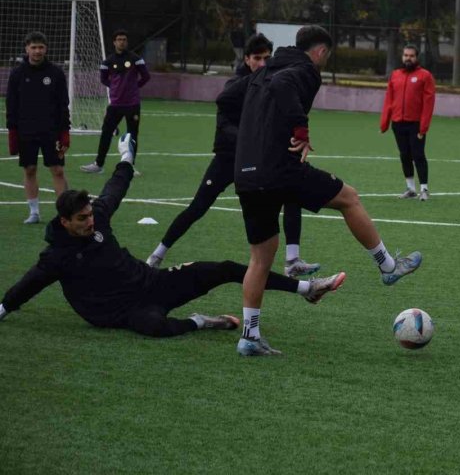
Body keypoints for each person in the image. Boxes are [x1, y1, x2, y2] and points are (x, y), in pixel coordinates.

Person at [0, 134, 345, 342]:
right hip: (122, 313)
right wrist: (3, 307)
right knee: (155, 328)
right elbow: (30, 284)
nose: (90, 221)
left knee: (224, 268)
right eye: (82, 219)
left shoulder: (98, 217)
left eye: (90, 215)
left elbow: (115, 189)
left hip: (154, 283)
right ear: (64, 222)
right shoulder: (56, 256)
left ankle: (306, 288)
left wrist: (126, 158)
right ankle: (201, 322)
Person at [229, 25, 423, 357]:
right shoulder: (305, 69)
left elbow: (227, 97)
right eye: (326, 55)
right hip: (279, 169)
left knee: (260, 258)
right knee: (349, 198)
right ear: (320, 52)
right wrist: (301, 129)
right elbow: (283, 86)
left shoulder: (261, 71)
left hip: (246, 173)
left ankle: (249, 336)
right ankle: (388, 267)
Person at [145, 34, 320, 278]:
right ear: (246, 59)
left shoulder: (271, 80)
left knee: (292, 193)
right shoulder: (237, 85)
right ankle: (157, 255)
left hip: (260, 159)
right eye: (257, 58)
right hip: (230, 157)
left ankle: (292, 260)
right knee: (198, 206)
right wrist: (251, 141)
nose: (262, 63)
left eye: (266, 58)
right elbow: (224, 123)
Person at [5, 31, 70, 224]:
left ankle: (64, 214)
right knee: (30, 169)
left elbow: (63, 104)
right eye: (33, 47)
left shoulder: (56, 73)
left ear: (46, 49)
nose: (37, 51)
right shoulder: (17, 74)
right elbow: (11, 104)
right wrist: (12, 131)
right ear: (27, 49)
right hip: (26, 131)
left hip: (52, 131)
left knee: (57, 170)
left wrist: (65, 132)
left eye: (41, 47)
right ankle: (34, 212)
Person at [81, 30, 150, 174]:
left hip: (132, 105)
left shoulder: (135, 59)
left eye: (124, 39)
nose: (122, 42)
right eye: (119, 39)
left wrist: (134, 87)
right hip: (115, 105)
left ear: (127, 42)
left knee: (132, 135)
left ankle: (130, 166)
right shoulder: (108, 62)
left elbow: (146, 76)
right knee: (106, 133)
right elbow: (103, 79)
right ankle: (98, 164)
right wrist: (114, 88)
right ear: (114, 42)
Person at [379, 44, 436, 201]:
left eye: (411, 56)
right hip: (398, 123)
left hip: (416, 124)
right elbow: (389, 100)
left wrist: (423, 127)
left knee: (418, 155)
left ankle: (424, 189)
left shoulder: (425, 76)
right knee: (404, 155)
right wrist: (384, 123)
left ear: (417, 57)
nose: (408, 58)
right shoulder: (395, 75)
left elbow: (428, 103)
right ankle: (410, 189)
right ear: (402, 57)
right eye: (406, 55)